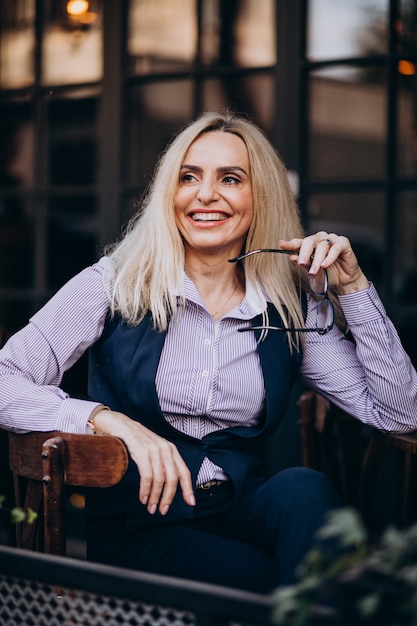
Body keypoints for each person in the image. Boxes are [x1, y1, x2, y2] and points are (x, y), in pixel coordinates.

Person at [1, 111, 416, 594]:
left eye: (231, 178)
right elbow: (6, 379)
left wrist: (354, 289)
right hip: (142, 525)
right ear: (168, 194)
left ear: (260, 196)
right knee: (293, 583)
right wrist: (105, 419)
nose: (205, 194)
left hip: (238, 509)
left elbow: (398, 412)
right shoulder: (113, 285)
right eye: (189, 177)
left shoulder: (286, 305)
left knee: (305, 489)